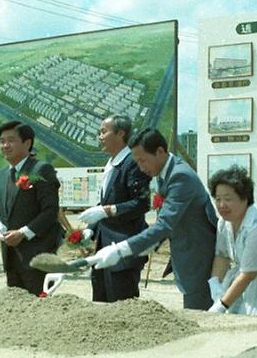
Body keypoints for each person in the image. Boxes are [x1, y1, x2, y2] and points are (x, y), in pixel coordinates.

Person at [86, 128, 217, 310]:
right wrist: (149, 245)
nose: (141, 167)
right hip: (186, 255)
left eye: (142, 160)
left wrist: (121, 249)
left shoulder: (180, 177)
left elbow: (165, 224)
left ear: (160, 152)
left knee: (200, 314)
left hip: (198, 259)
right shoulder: (166, 174)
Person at [78, 115, 150, 302]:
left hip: (123, 252)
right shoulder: (111, 164)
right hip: (103, 249)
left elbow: (141, 203)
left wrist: (105, 211)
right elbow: (104, 203)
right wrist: (90, 229)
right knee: (101, 305)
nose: (100, 137)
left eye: (104, 131)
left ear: (120, 133)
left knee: (121, 309)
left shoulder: (133, 163)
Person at [0, 120, 61, 295]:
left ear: (27, 143)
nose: (5, 145)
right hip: (10, 255)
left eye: (10, 140)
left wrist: (23, 233)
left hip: (36, 255)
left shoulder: (41, 169)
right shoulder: (0, 175)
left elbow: (50, 211)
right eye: (2, 141)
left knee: (37, 306)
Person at [206, 165, 257, 316]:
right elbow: (222, 255)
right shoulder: (224, 222)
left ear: (245, 198)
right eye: (218, 199)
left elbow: (248, 275)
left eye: (228, 199)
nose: (222, 205)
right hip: (242, 281)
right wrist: (215, 283)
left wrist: (222, 305)